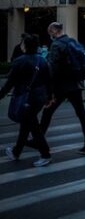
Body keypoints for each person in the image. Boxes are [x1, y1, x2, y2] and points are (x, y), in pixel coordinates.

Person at [39, 22, 85, 155]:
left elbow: (52, 69)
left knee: (47, 112)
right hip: (76, 84)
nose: (50, 36)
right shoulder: (73, 42)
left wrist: (49, 89)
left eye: (50, 33)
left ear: (54, 31)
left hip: (62, 86)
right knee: (82, 115)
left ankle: (38, 140)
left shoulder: (57, 45)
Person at [0, 34, 53, 167]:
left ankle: (45, 154)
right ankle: (16, 151)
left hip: (26, 99)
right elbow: (49, 81)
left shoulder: (19, 61)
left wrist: (1, 95)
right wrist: (49, 97)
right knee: (26, 124)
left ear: (25, 45)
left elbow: (10, 83)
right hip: (39, 98)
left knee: (34, 127)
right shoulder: (43, 60)